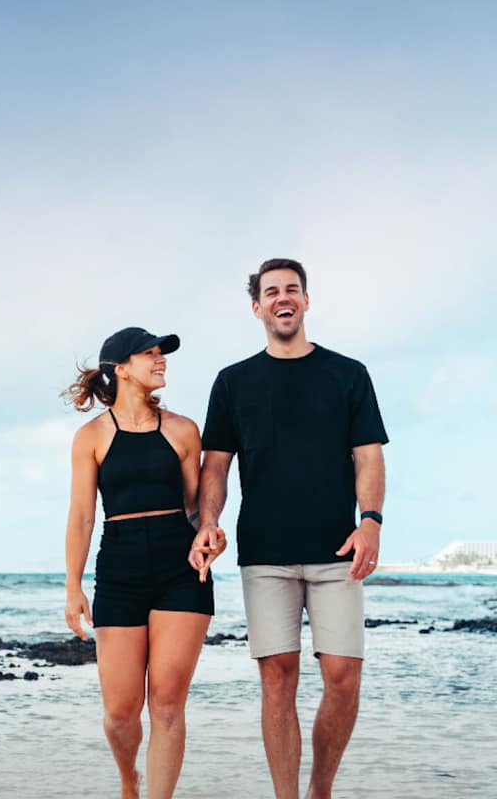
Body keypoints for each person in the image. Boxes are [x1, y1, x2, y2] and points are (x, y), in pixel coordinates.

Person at [189, 258, 388, 799]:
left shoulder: (348, 374)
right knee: (277, 677)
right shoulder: (233, 382)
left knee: (344, 679)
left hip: (337, 549)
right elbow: (215, 466)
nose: (284, 298)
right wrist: (208, 523)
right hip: (265, 552)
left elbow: (367, 457)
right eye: (272, 291)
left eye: (292, 289)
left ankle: (320, 790)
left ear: (305, 300)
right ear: (257, 307)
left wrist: (370, 522)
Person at [63, 327, 227, 799]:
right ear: (121, 368)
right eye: (150, 354)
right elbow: (81, 515)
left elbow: (197, 509)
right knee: (119, 710)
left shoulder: (182, 429)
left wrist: (210, 535)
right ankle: (128, 780)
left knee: (168, 705)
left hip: (181, 570)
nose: (161, 361)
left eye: (162, 354)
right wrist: (73, 585)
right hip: (119, 567)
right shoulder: (90, 436)